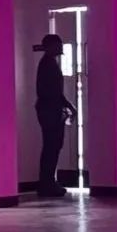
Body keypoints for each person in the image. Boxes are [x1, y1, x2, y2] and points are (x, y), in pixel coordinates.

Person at [34, 34, 75, 196]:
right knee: (52, 146)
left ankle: (47, 181)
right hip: (49, 110)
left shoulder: (49, 63)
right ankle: (47, 183)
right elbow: (51, 91)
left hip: (50, 109)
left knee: (52, 146)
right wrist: (66, 106)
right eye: (58, 44)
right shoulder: (47, 64)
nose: (61, 47)